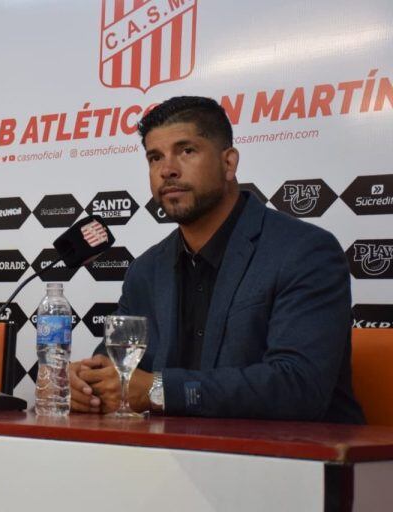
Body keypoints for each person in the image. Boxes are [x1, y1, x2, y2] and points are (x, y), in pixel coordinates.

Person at [70, 96, 364, 423]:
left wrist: (159, 389)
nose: (167, 170)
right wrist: (87, 384)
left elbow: (299, 386)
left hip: (296, 462)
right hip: (172, 461)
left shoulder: (304, 251)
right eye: (155, 157)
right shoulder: (146, 270)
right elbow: (115, 367)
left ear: (229, 163)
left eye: (186, 151)